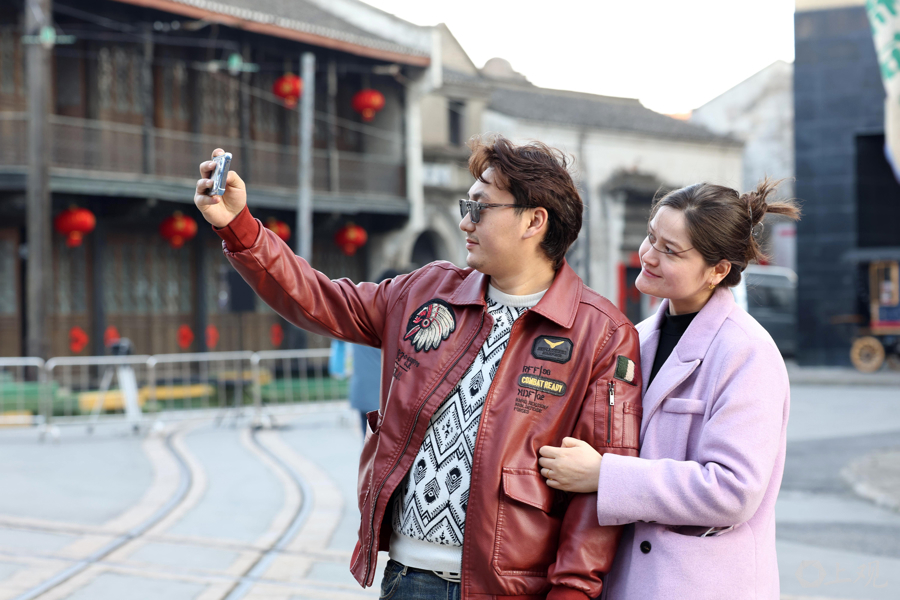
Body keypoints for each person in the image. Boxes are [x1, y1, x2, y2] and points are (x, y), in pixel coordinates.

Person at [193, 135, 643, 600]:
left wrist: (572, 593)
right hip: (407, 579)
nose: (465, 221)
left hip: (511, 591)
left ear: (534, 220)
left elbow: (598, 492)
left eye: (480, 208)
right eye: (467, 206)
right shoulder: (427, 291)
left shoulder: (602, 334)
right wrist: (238, 227)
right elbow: (319, 299)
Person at [538, 180, 800, 600]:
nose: (648, 255)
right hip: (625, 583)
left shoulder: (747, 352)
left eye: (671, 251)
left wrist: (604, 475)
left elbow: (733, 490)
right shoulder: (634, 339)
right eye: (651, 236)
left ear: (718, 270)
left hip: (704, 586)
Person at [348, 269, 401, 436]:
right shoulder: (392, 319)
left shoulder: (358, 315)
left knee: (368, 444)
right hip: (384, 398)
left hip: (362, 392)